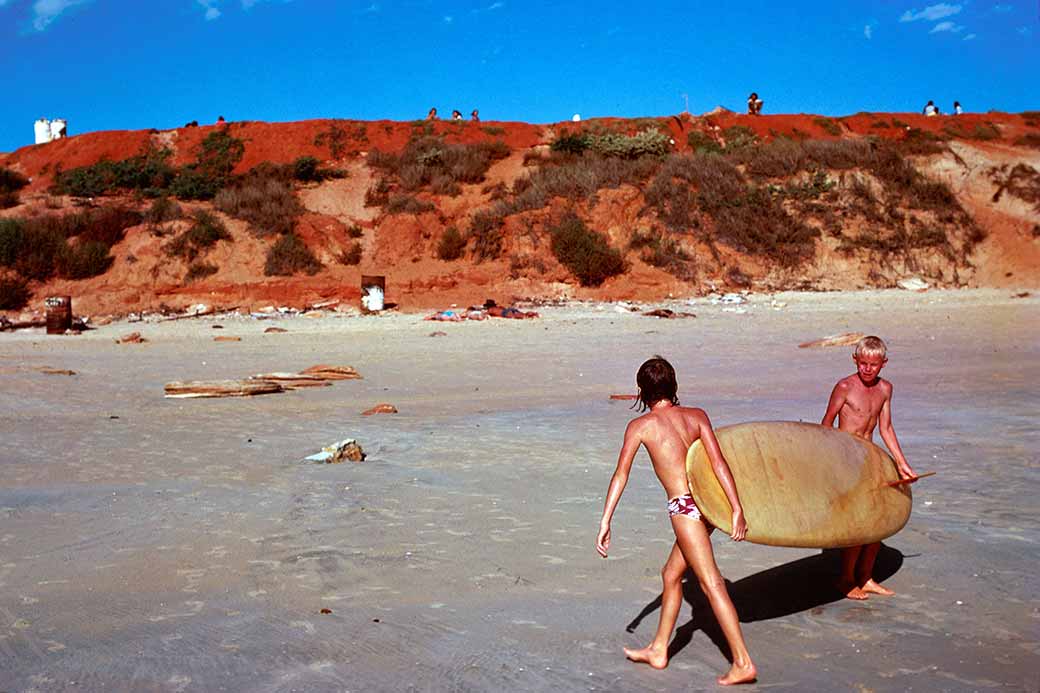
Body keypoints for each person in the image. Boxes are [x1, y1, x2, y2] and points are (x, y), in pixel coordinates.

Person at [597, 357, 757, 686]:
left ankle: (742, 662)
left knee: (711, 584)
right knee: (671, 575)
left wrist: (605, 520)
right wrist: (735, 507)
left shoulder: (640, 427)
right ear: (674, 386)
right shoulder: (697, 416)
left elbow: (620, 475)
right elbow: (719, 463)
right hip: (708, 505)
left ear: (642, 392)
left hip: (684, 508)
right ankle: (659, 649)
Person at [821, 336, 916, 600]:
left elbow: (885, 428)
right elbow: (826, 425)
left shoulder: (886, 389)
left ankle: (866, 577)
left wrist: (902, 462)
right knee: (860, 522)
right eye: (862, 363)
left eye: (873, 364)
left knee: (879, 520)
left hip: (870, 460)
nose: (867, 369)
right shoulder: (844, 386)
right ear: (855, 360)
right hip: (845, 460)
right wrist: (823, 465)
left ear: (883, 363)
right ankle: (847, 579)